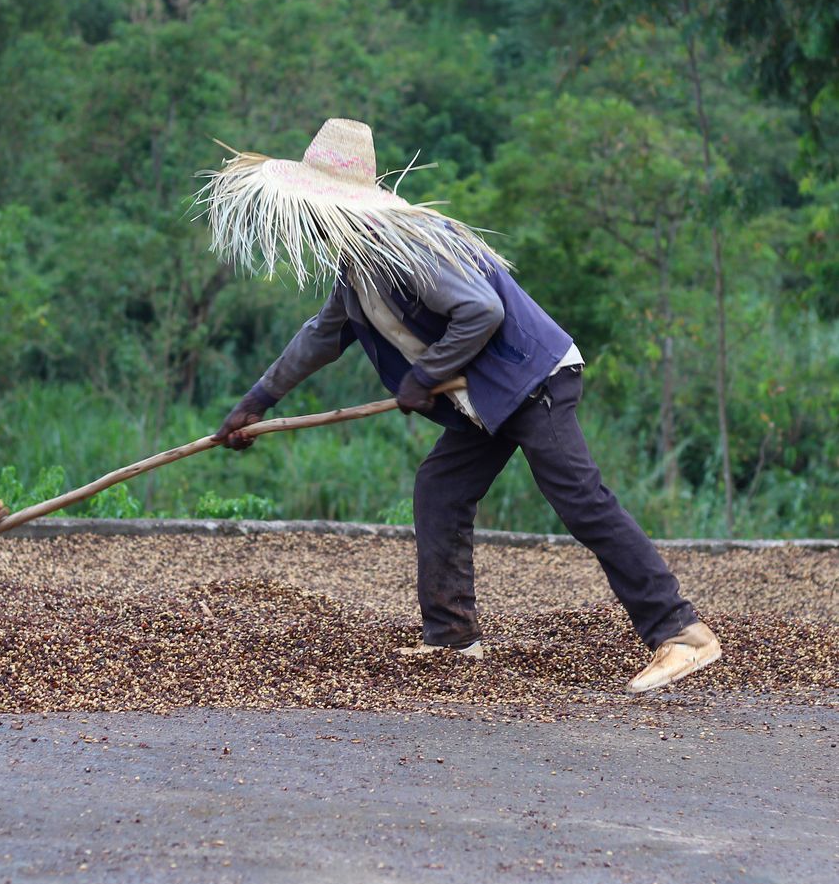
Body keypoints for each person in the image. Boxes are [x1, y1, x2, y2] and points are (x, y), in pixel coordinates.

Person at [196, 118, 721, 694]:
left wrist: (425, 375)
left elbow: (480, 311)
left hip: (534, 380)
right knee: (441, 489)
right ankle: (451, 637)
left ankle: (682, 632)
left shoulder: (411, 245)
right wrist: (256, 402)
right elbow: (320, 337)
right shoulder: (357, 267)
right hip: (486, 397)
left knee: (581, 501)